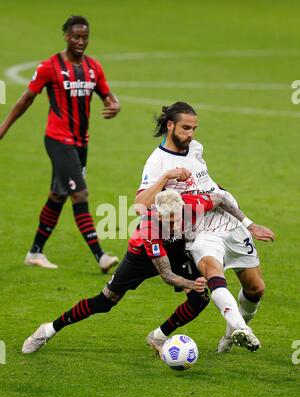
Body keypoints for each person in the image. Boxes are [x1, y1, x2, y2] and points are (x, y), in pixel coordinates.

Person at [22, 189, 271, 355]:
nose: (175, 224)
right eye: (169, 221)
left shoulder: (190, 205)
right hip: (141, 257)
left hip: (175, 250)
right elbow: (165, 275)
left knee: (201, 297)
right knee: (106, 301)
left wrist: (250, 224)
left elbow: (220, 199)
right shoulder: (151, 229)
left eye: (177, 219)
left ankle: (158, 336)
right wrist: (187, 281)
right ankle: (48, 330)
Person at [135, 102, 275, 353]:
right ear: (170, 125)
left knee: (256, 289)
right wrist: (165, 179)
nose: (191, 134)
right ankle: (242, 329)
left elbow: (208, 183)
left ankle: (232, 333)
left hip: (227, 219)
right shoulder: (157, 162)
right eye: (186, 128)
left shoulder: (196, 148)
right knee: (213, 274)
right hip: (199, 230)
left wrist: (248, 222)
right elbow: (140, 204)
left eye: (194, 128)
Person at [0, 15, 120, 273]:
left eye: (85, 37)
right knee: (80, 194)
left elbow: (108, 95)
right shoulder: (49, 67)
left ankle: (35, 252)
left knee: (58, 195)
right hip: (57, 140)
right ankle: (100, 256)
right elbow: (26, 99)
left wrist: (115, 105)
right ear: (66, 35)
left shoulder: (93, 68)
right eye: (76, 36)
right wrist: (3, 127)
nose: (80, 41)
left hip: (80, 143)